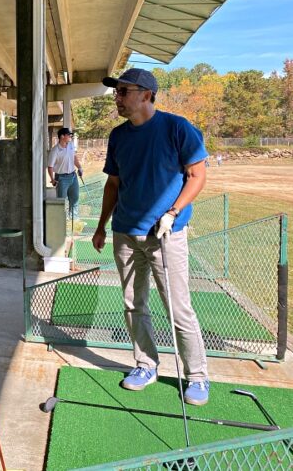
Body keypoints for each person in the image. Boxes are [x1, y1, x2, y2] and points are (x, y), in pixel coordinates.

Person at [92, 68, 210, 406]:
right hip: (125, 234)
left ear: (146, 94)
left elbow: (197, 175)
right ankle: (145, 365)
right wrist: (102, 226)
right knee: (133, 305)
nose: (117, 98)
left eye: (123, 91)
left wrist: (172, 213)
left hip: (165, 235)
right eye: (116, 92)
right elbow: (113, 184)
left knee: (178, 309)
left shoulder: (177, 128)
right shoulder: (118, 136)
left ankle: (197, 375)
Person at [47, 127, 83, 219]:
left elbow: (74, 157)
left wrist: (79, 168)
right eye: (69, 135)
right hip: (61, 178)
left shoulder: (71, 145)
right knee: (61, 201)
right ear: (62, 136)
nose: (71, 136)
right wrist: (52, 179)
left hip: (73, 176)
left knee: (75, 199)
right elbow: (50, 167)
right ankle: (62, 222)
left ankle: (73, 220)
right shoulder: (55, 150)